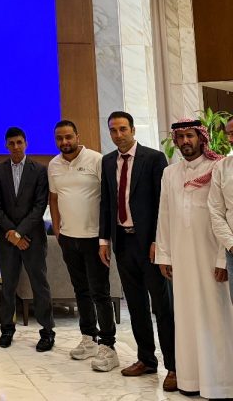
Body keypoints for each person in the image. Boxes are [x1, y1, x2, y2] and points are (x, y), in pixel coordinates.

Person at [155, 118, 233, 398]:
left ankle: (221, 384)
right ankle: (191, 380)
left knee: (216, 318)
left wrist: (223, 259)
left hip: (212, 257)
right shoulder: (170, 173)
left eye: (190, 135)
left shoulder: (217, 167)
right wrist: (164, 254)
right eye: (180, 137)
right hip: (182, 257)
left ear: (201, 138)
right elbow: (164, 214)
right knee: (186, 317)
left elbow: (222, 215)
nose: (185, 141)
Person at [98, 111, 176, 392]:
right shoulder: (108, 161)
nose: (118, 135)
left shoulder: (154, 159)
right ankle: (146, 360)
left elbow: (163, 203)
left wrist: (159, 241)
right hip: (123, 242)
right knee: (136, 305)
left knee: (162, 306)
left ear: (133, 129)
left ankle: (174, 366)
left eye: (123, 129)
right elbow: (106, 202)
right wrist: (104, 240)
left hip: (150, 245)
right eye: (113, 130)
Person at [48, 120, 118, 372]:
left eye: (68, 137)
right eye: (59, 138)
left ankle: (109, 346)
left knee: (100, 293)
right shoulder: (54, 165)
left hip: (94, 239)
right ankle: (89, 338)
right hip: (69, 239)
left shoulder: (96, 160)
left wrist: (104, 238)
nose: (64, 142)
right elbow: (54, 198)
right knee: (81, 291)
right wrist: (58, 229)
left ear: (77, 136)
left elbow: (109, 198)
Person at [0, 126, 54, 351]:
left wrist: (19, 233)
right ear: (6, 146)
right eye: (11, 143)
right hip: (7, 239)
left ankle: (47, 332)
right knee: (8, 286)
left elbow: (40, 206)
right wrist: (12, 232)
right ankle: (7, 329)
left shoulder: (39, 170)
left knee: (40, 285)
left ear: (26, 143)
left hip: (32, 238)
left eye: (19, 142)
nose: (16, 147)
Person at [209, 115, 233, 302]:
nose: (230, 138)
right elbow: (216, 211)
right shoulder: (222, 167)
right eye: (228, 134)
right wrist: (231, 244)